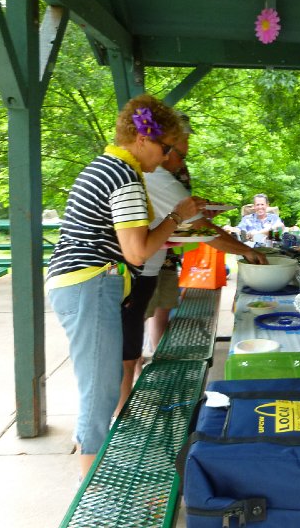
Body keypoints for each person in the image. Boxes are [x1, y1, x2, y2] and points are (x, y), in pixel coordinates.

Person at [46, 94, 203, 477]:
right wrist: (177, 217)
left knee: (105, 381)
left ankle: (93, 474)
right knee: (100, 391)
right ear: (143, 139)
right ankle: (91, 488)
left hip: (82, 284)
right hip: (90, 284)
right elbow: (137, 251)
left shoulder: (108, 167)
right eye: (165, 148)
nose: (166, 158)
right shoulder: (124, 176)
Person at [118, 120, 267, 412]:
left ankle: (126, 405)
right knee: (125, 351)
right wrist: (246, 251)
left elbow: (189, 224)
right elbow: (201, 229)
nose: (172, 161)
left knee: (130, 345)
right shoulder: (155, 176)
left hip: (146, 270)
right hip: (133, 273)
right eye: (178, 155)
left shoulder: (152, 174)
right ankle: (122, 413)